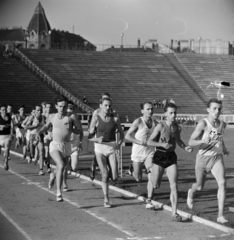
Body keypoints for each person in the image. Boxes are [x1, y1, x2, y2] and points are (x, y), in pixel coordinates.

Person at [147, 102, 193, 221]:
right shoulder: (161, 126)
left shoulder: (176, 127)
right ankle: (151, 170)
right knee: (156, 185)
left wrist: (185, 147)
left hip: (171, 157)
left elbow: (178, 140)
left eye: (175, 112)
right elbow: (149, 142)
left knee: (174, 186)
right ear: (165, 114)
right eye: (171, 113)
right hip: (159, 156)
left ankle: (174, 213)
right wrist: (162, 144)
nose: (173, 115)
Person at [187, 98, 229, 224]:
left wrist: (224, 148)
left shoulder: (222, 124)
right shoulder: (203, 124)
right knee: (199, 187)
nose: (217, 111)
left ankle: (220, 215)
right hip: (202, 159)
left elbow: (219, 138)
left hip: (216, 157)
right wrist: (201, 141)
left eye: (219, 109)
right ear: (208, 110)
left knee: (222, 183)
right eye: (214, 108)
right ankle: (191, 192)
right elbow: (190, 141)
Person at [36, 95, 82, 202]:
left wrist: (71, 128)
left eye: (65, 106)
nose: (63, 109)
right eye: (60, 106)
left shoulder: (72, 117)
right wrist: (39, 132)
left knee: (60, 168)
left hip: (67, 146)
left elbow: (79, 130)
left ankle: (53, 175)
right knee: (61, 165)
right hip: (55, 145)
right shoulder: (52, 117)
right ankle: (59, 193)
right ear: (56, 106)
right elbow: (46, 127)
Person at [88, 98, 124, 207]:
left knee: (115, 177)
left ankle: (109, 173)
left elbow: (122, 134)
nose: (108, 108)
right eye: (105, 105)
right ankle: (106, 199)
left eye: (109, 106)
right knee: (104, 174)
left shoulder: (115, 119)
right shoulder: (96, 118)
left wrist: (119, 143)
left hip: (111, 147)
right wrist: (97, 139)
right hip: (100, 148)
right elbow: (89, 137)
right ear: (100, 106)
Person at [125, 102, 158, 209]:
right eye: (147, 109)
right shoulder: (138, 122)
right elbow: (127, 136)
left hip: (150, 152)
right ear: (142, 111)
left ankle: (149, 199)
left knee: (152, 172)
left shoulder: (155, 123)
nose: (150, 111)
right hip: (138, 153)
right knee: (138, 178)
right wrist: (139, 142)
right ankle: (132, 171)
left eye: (151, 109)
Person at [22, 105, 46, 175]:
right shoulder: (32, 117)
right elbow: (26, 126)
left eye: (40, 110)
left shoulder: (43, 117)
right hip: (32, 136)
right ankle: (30, 155)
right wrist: (34, 126)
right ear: (35, 111)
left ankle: (41, 170)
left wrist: (45, 130)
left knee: (41, 152)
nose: (39, 111)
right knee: (32, 153)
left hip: (39, 136)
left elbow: (45, 126)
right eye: (38, 110)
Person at [66, 101, 83, 175]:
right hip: (66, 145)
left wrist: (80, 143)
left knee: (74, 167)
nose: (71, 110)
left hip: (75, 146)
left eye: (72, 108)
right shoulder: (64, 119)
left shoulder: (77, 119)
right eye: (69, 108)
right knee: (63, 167)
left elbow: (81, 132)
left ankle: (71, 163)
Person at [0, 104, 14, 170]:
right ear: (0, 111)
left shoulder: (9, 115)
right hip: (0, 136)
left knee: (7, 147)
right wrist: (0, 128)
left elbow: (12, 123)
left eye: (5, 109)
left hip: (7, 136)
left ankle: (6, 162)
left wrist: (12, 130)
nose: (4, 111)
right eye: (3, 110)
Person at [43, 102, 53, 173]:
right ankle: (48, 167)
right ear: (45, 108)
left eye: (50, 107)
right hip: (46, 135)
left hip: (53, 135)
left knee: (52, 151)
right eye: (47, 107)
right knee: (47, 151)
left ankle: (46, 160)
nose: (48, 109)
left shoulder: (54, 115)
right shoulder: (42, 116)